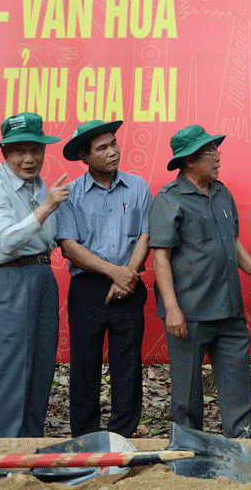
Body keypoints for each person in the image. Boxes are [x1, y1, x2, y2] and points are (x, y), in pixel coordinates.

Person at [149, 124, 251, 438]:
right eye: (210, 152)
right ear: (190, 161)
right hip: (189, 314)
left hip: (229, 311)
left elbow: (233, 242)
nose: (218, 157)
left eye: (216, 150)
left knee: (239, 388)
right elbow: (160, 257)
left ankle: (244, 449)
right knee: (187, 395)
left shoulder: (221, 193)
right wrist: (172, 309)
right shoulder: (169, 199)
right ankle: (189, 454)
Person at [0, 112, 67, 438]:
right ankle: (0, 462)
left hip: (40, 274)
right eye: (19, 151)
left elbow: (51, 237)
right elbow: (6, 240)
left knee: (41, 368)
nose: (29, 158)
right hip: (6, 277)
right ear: (5, 152)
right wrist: (45, 208)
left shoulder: (40, 185)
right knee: (12, 369)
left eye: (35, 149)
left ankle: (28, 456)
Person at [56, 120, 151, 438]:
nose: (113, 151)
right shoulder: (71, 195)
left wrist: (128, 275)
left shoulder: (138, 187)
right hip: (88, 288)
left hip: (130, 285)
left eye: (114, 143)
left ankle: (123, 435)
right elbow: (69, 247)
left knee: (128, 364)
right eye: (102, 148)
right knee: (85, 365)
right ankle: (85, 437)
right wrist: (115, 272)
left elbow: (145, 234)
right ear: (85, 155)